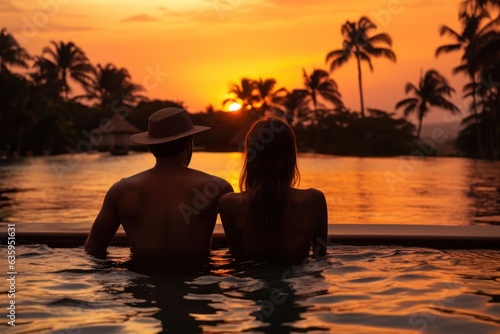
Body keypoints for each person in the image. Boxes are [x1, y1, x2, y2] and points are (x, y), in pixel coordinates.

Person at [85, 107, 233, 265]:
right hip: (195, 281)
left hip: (141, 282)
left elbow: (93, 249)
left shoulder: (121, 190)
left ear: (150, 147)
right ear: (190, 142)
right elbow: (239, 250)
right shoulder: (216, 188)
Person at [219, 117, 328, 261]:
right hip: (297, 278)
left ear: (251, 157)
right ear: (290, 156)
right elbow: (320, 256)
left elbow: (236, 257)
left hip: (249, 279)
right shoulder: (313, 199)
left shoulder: (229, 203)